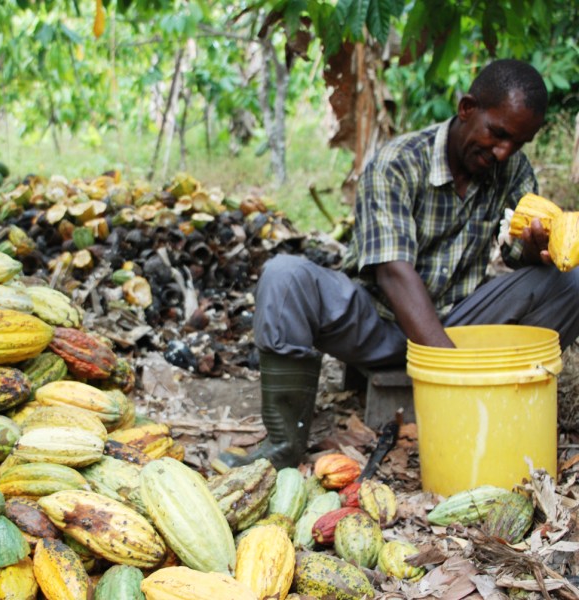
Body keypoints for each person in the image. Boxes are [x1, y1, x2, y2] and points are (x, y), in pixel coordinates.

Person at [219, 59, 579, 470]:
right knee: (284, 277)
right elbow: (392, 271)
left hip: (457, 323)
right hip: (375, 322)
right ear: (466, 109)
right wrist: (453, 372)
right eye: (497, 134)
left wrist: (536, 246)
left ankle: (508, 392)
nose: (503, 152)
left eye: (517, 143)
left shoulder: (511, 169)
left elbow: (518, 256)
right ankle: (283, 448)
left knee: (573, 282)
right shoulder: (399, 161)